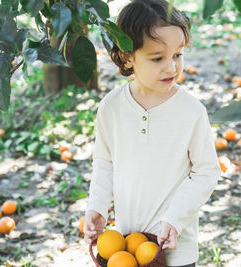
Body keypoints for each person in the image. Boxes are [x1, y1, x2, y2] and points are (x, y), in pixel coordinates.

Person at [84, 0, 220, 266]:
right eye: (158, 58)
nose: (171, 67)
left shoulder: (191, 111)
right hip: (128, 245)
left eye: (178, 55)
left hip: (174, 245)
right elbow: (104, 162)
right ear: (127, 56)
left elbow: (206, 171)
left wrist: (175, 218)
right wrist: (97, 205)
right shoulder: (111, 108)